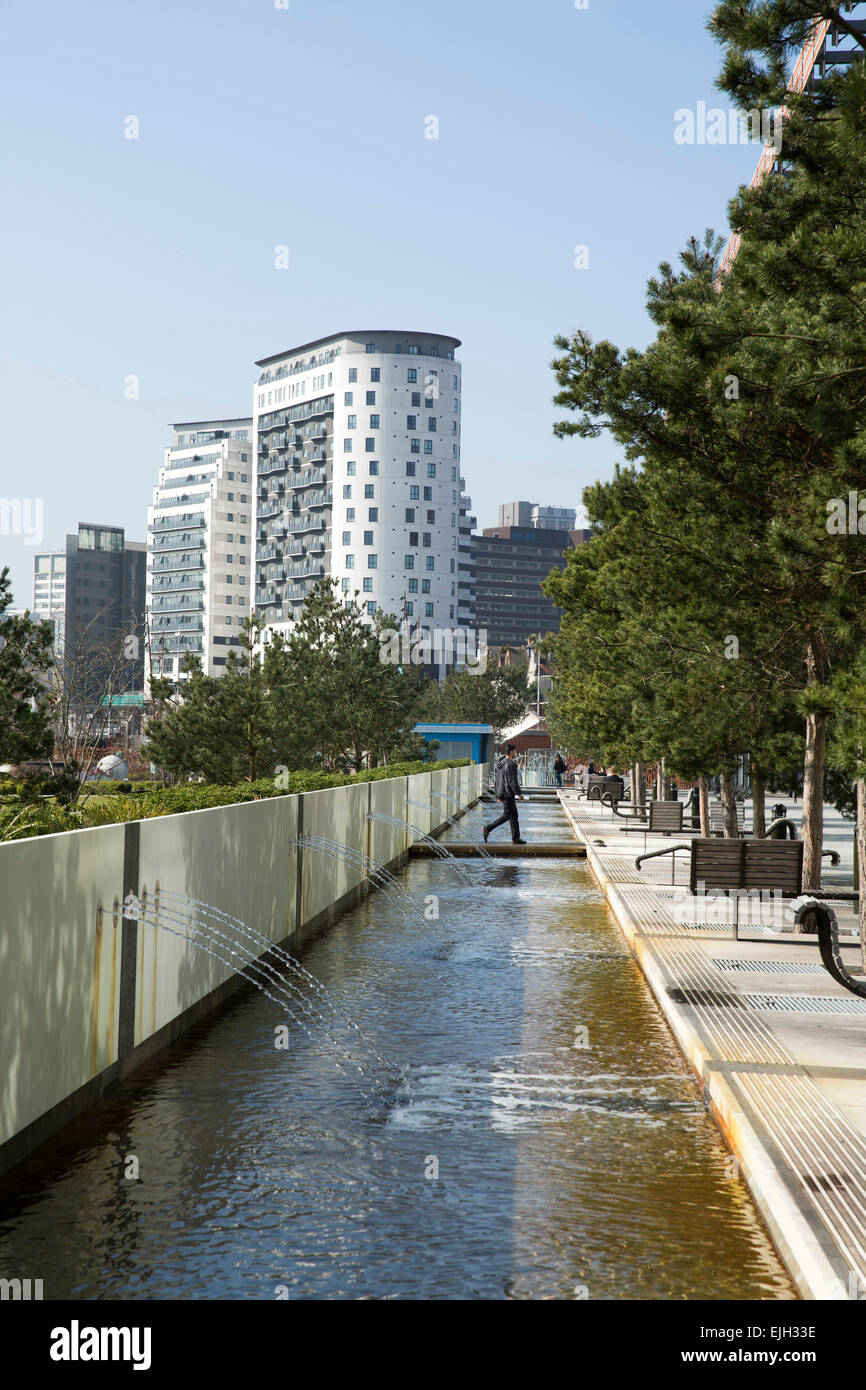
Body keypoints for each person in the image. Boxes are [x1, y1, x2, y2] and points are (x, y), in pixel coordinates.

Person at [483, 744, 526, 844]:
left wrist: (499, 795)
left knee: (514, 816)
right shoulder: (509, 764)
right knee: (507, 816)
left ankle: (515, 838)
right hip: (508, 794)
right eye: (515, 751)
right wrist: (519, 793)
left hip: (505, 793)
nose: (515, 753)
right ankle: (488, 828)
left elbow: (497, 781)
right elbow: (512, 781)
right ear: (511, 752)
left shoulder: (502, 763)